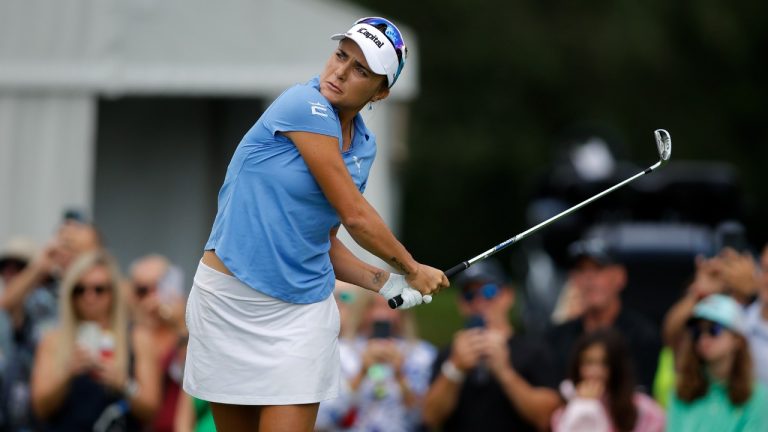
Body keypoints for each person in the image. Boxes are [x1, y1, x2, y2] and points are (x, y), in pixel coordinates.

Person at [182, 16, 449, 432]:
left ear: (381, 91)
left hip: (302, 315)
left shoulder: (363, 145)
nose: (340, 72)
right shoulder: (301, 104)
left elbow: (322, 240)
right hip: (228, 302)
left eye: (360, 69)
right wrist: (412, 269)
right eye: (341, 55)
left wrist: (386, 282)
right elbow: (356, 215)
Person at [422, 260, 560, 431]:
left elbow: (548, 418)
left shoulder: (535, 350)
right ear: (461, 304)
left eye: (489, 291)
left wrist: (505, 372)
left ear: (508, 296)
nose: (480, 301)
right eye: (469, 295)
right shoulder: (450, 354)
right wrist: (455, 369)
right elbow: (430, 418)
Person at [30, 251, 161, 431]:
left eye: (99, 289)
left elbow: (151, 410)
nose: (89, 297)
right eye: (80, 289)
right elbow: (40, 408)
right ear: (70, 294)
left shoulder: (137, 338)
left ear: (113, 292)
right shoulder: (53, 340)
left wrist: (123, 383)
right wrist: (67, 373)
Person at [547, 238, 661, 392]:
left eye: (598, 269)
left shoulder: (643, 336)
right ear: (572, 279)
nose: (589, 279)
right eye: (581, 270)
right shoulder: (555, 338)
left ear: (620, 277)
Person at [317, 285, 436, 431]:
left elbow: (427, 419)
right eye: (372, 306)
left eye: (390, 305)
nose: (381, 315)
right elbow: (322, 419)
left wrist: (400, 376)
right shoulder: (340, 352)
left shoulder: (421, 354)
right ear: (360, 309)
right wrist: (361, 373)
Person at [667, 294, 768, 430]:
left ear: (737, 339)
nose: (704, 337)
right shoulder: (681, 392)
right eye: (697, 331)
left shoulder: (758, 397)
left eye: (714, 329)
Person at [551, 328, 665, 432]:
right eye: (588, 362)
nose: (594, 372)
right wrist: (582, 408)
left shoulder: (645, 411)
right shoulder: (562, 415)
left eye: (604, 364)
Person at [128, 254, 188, 432]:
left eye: (159, 288)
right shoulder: (127, 334)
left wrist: (179, 325)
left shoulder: (188, 328)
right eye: (142, 290)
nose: (152, 297)